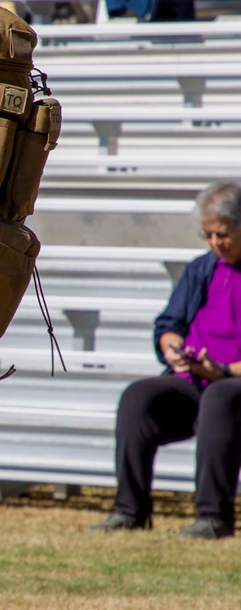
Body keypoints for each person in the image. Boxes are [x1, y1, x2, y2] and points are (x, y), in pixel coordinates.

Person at [92, 183, 241, 540]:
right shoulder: (201, 269)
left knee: (219, 398)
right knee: (138, 397)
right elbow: (169, 324)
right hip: (194, 380)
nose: (215, 242)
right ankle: (130, 510)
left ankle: (213, 518)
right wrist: (173, 348)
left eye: (223, 234)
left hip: (230, 385)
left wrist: (222, 372)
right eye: (208, 235)